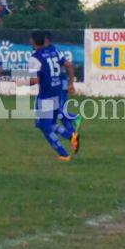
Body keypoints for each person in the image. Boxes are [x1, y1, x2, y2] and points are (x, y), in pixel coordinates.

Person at [28, 30, 79, 161]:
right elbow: (68, 65)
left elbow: (34, 80)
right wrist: (70, 83)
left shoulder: (34, 57)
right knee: (44, 124)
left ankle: (63, 153)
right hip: (56, 92)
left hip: (45, 96)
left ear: (34, 41)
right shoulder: (54, 52)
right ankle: (71, 135)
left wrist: (17, 79)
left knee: (45, 127)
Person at [44, 31, 83, 135]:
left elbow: (69, 65)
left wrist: (70, 83)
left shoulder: (53, 51)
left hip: (60, 83)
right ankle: (72, 133)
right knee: (56, 111)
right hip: (57, 83)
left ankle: (74, 117)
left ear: (46, 40)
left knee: (58, 110)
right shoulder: (51, 51)